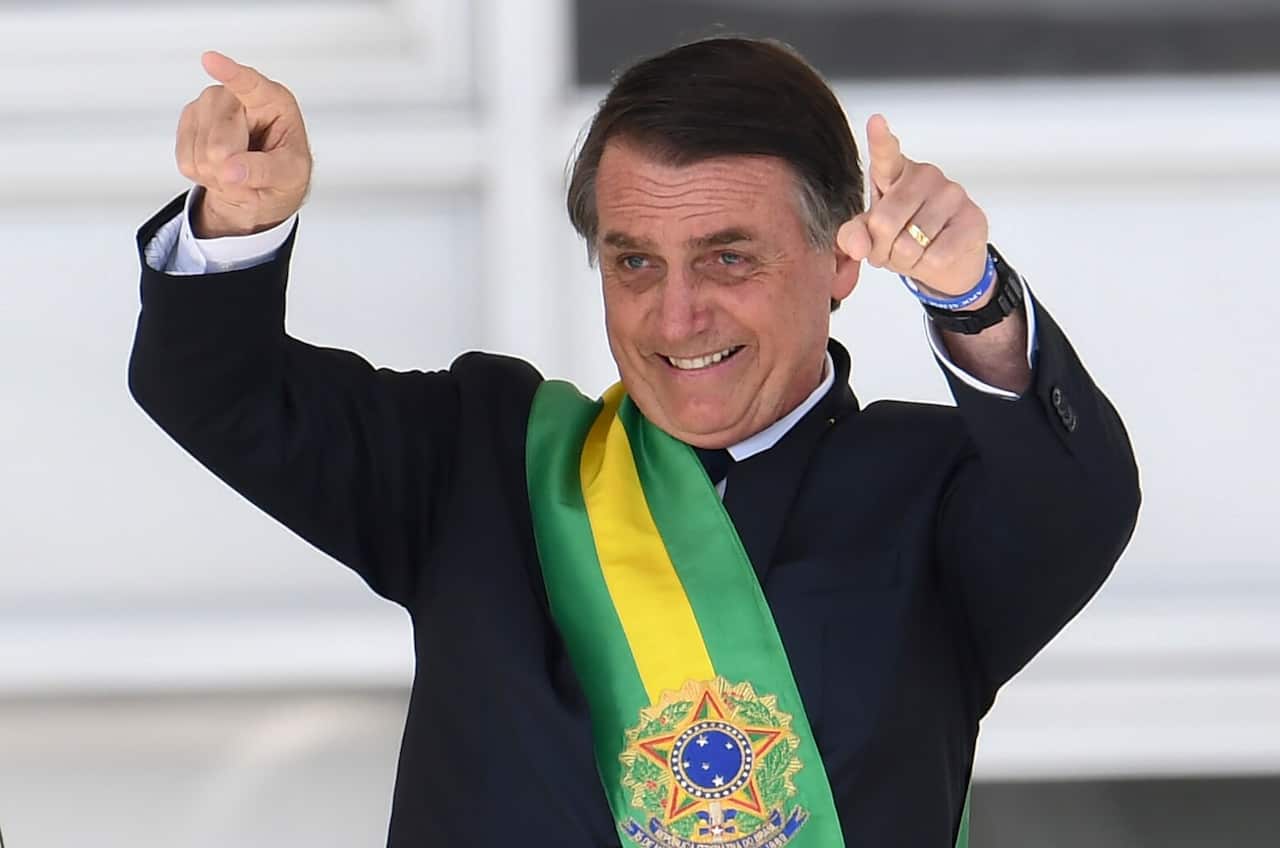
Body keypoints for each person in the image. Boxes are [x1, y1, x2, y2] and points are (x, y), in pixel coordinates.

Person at [128, 38, 1139, 848]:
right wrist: (238, 221)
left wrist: (969, 298)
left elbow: (1080, 500)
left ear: (841, 259)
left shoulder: (937, 492)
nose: (674, 315)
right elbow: (213, 389)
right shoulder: (481, 462)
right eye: (633, 260)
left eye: (726, 257)